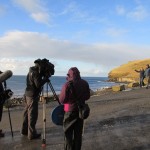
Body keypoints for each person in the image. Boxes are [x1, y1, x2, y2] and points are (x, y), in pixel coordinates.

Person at [59, 67, 90, 150]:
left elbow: (62, 100)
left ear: (69, 75)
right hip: (80, 111)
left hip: (69, 110)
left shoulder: (67, 85)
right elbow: (87, 97)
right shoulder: (85, 83)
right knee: (78, 134)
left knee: (68, 134)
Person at [21, 59, 50, 140]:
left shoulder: (31, 70)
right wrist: (45, 79)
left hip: (27, 94)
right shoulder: (36, 72)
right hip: (32, 95)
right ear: (40, 65)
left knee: (26, 113)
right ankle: (32, 134)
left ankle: (24, 131)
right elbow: (38, 85)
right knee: (32, 115)